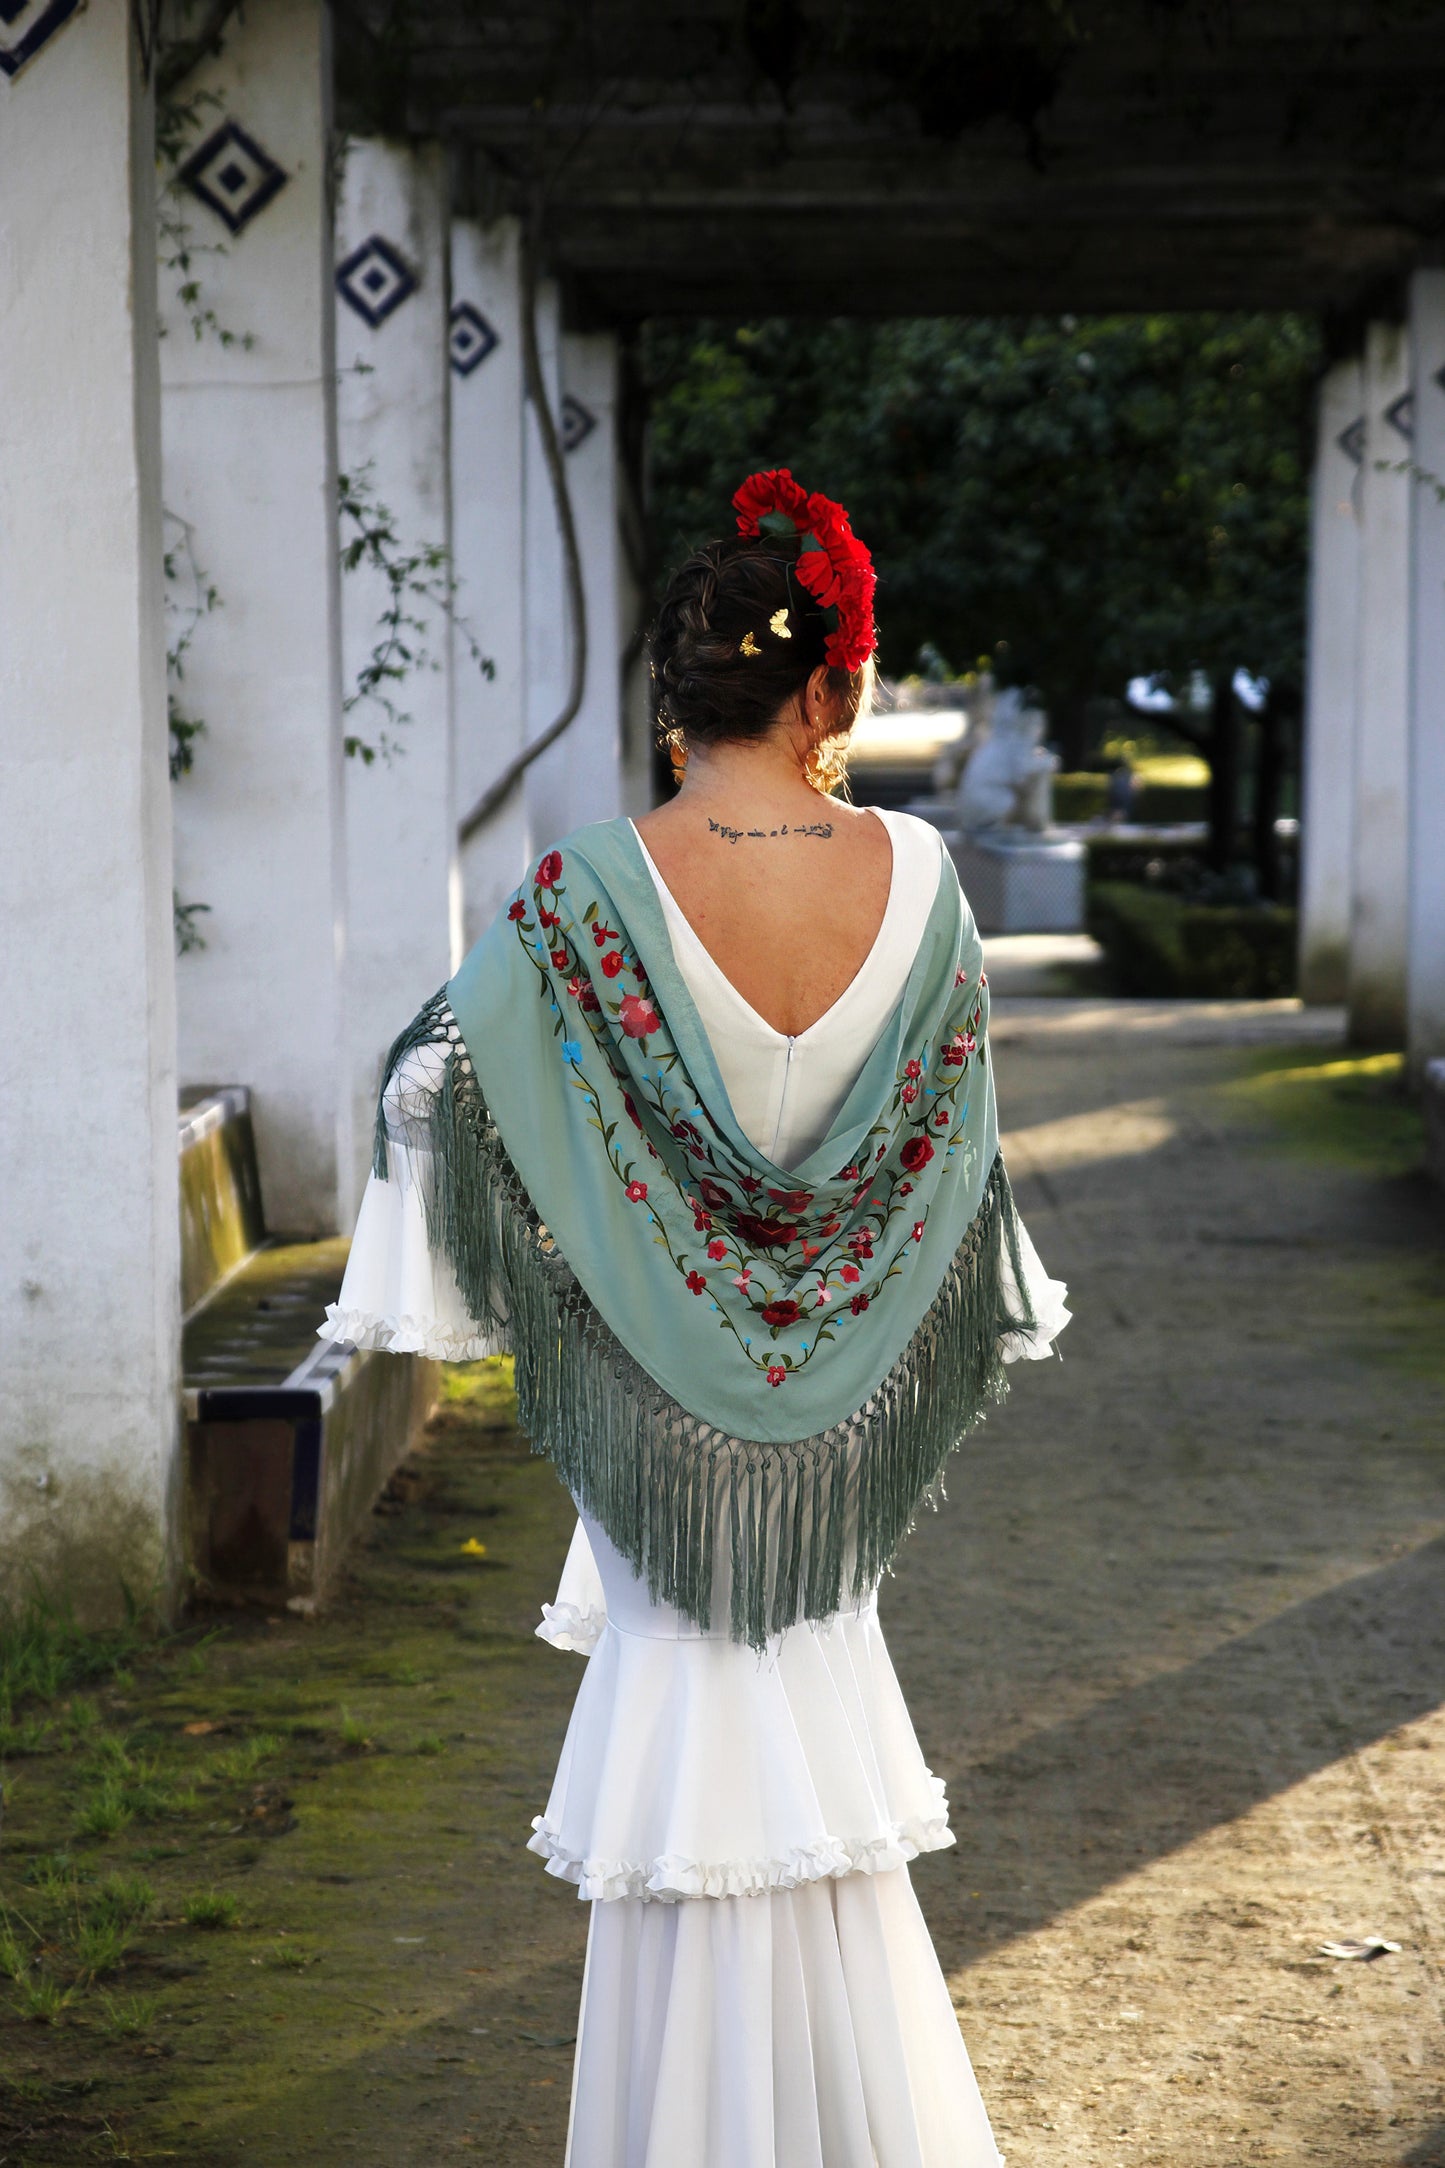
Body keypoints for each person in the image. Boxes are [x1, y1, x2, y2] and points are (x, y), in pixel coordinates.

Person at [320, 468, 1070, 2166]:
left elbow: (432, 1081)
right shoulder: (926, 875)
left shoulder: (589, 890)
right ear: (834, 685)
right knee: (804, 1713)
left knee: (692, 1721)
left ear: (674, 701)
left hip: (646, 1401)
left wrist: (548, 1253)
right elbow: (956, 1144)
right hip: (843, 1403)